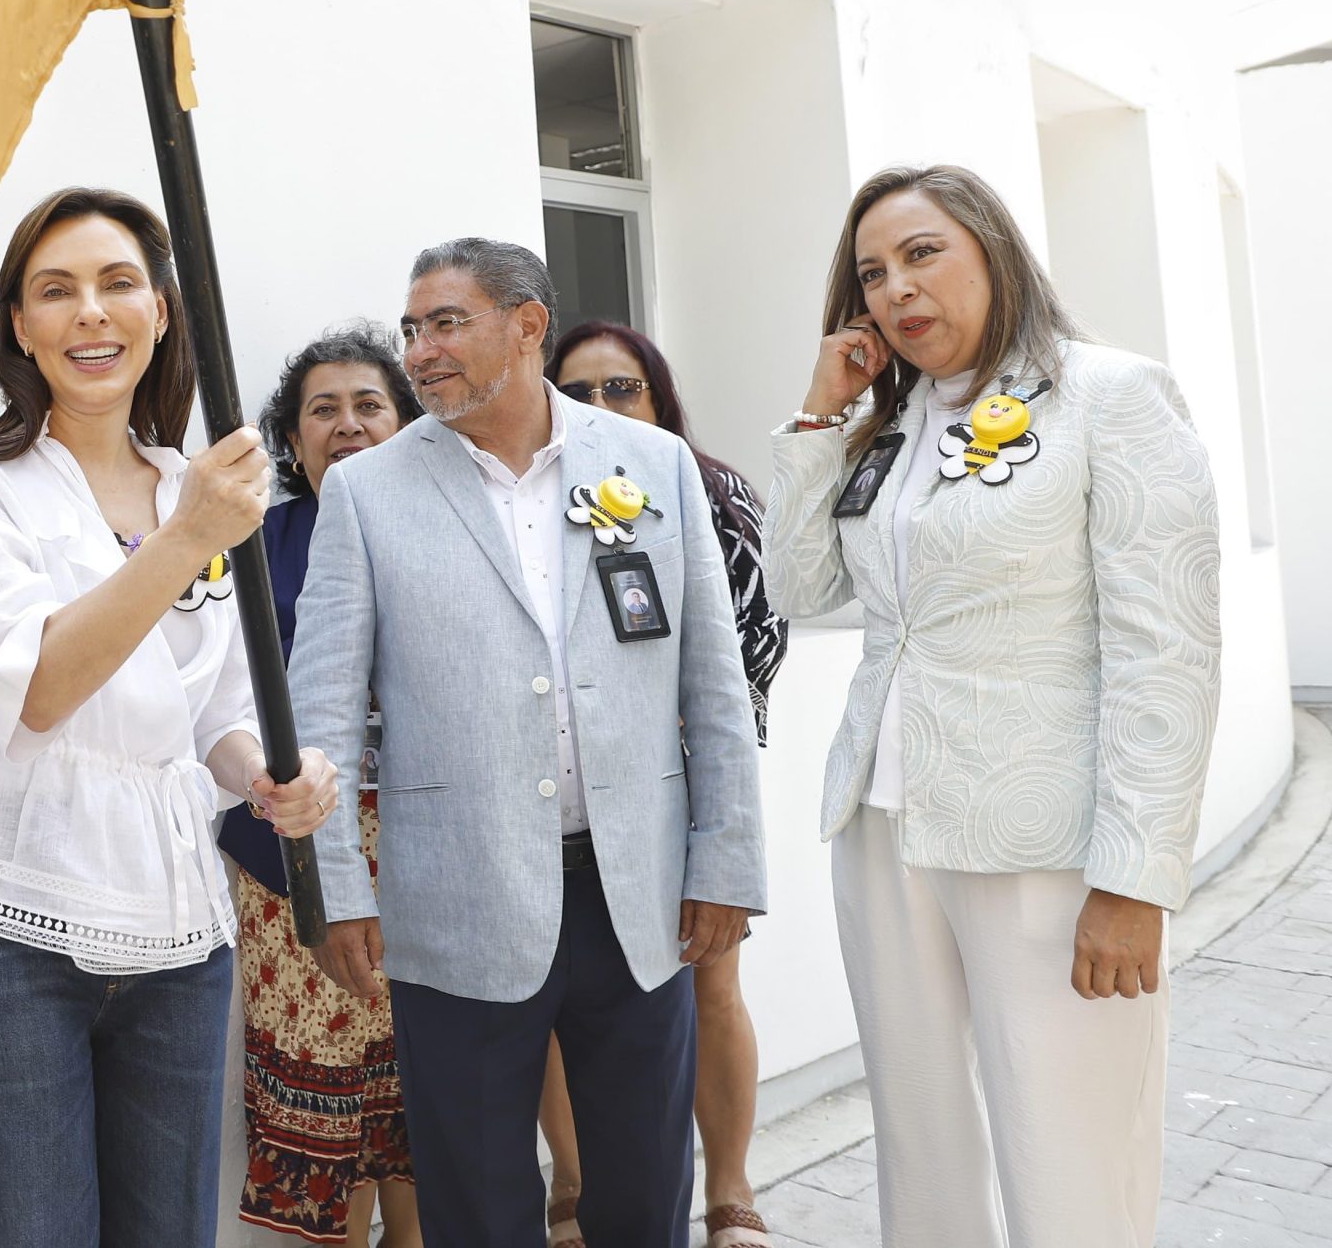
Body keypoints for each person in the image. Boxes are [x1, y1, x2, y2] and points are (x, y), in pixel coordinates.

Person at [763, 164, 1222, 1248]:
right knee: (921, 1146)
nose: (895, 291)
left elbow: (1169, 648)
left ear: (992, 249)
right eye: (872, 273)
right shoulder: (887, 426)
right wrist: (817, 416)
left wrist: (1134, 875)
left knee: (1066, 1148)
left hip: (1046, 841)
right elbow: (798, 589)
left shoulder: (1110, 395)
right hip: (881, 828)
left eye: (922, 254)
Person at [291, 236, 766, 1248]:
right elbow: (320, 715)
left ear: (527, 324)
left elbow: (710, 685)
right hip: (454, 901)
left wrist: (726, 857)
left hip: (637, 894)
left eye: (445, 323)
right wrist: (332, 887)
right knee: (476, 1206)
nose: (419, 351)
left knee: (642, 1198)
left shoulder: (653, 464)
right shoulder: (368, 493)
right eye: (411, 328)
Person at [0, 185, 344, 1248]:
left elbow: (220, 715)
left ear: (159, 309)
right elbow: (40, 686)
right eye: (55, 291)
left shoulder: (195, 487)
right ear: (19, 324)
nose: (89, 313)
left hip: (178, 924)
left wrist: (274, 773)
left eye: (116, 284)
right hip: (13, 917)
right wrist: (186, 537)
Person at [537, 321, 791, 1248]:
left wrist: (698, 773)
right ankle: (574, 1187)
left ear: (659, 397)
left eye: (623, 388)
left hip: (675, 796)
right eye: (581, 389)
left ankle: (728, 1192)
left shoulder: (711, 490)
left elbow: (755, 645)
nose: (602, 406)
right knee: (565, 1004)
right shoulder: (530, 500)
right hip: (568, 805)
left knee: (708, 987)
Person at [221, 323, 424, 1247]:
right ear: (293, 439)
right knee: (322, 1089)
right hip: (297, 851)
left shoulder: (450, 527)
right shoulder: (254, 544)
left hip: (435, 851)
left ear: (407, 419)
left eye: (369, 404)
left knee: (428, 1089)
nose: (347, 425)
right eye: (323, 411)